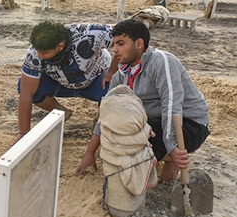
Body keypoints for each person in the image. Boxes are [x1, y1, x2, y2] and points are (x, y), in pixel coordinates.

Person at [76, 19, 210, 183]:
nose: (114, 50)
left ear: (139, 44)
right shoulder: (120, 76)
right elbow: (105, 115)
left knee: (132, 139)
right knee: (117, 132)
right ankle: (166, 157)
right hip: (156, 122)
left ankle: (171, 160)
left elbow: (172, 104)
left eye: (120, 44)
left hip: (189, 124)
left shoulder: (161, 61)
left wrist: (172, 146)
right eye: (114, 44)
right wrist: (90, 153)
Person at [16, 21, 118, 143]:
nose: (39, 55)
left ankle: (102, 122)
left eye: (44, 53)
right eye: (38, 51)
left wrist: (112, 71)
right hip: (60, 82)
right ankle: (61, 112)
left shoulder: (89, 34)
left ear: (60, 46)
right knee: (24, 86)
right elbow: (26, 94)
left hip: (97, 78)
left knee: (114, 92)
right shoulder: (34, 53)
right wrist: (23, 133)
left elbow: (125, 34)